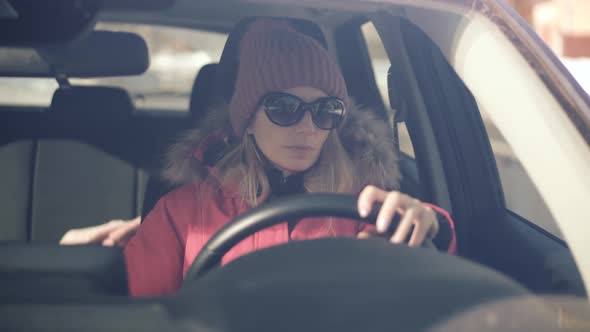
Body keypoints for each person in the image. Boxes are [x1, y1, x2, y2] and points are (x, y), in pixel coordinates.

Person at [65, 19, 456, 296]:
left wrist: (432, 224)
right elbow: (142, 314)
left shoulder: (364, 205)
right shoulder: (181, 213)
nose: (307, 127)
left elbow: (416, 287)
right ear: (247, 119)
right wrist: (76, 270)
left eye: (325, 111)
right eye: (284, 108)